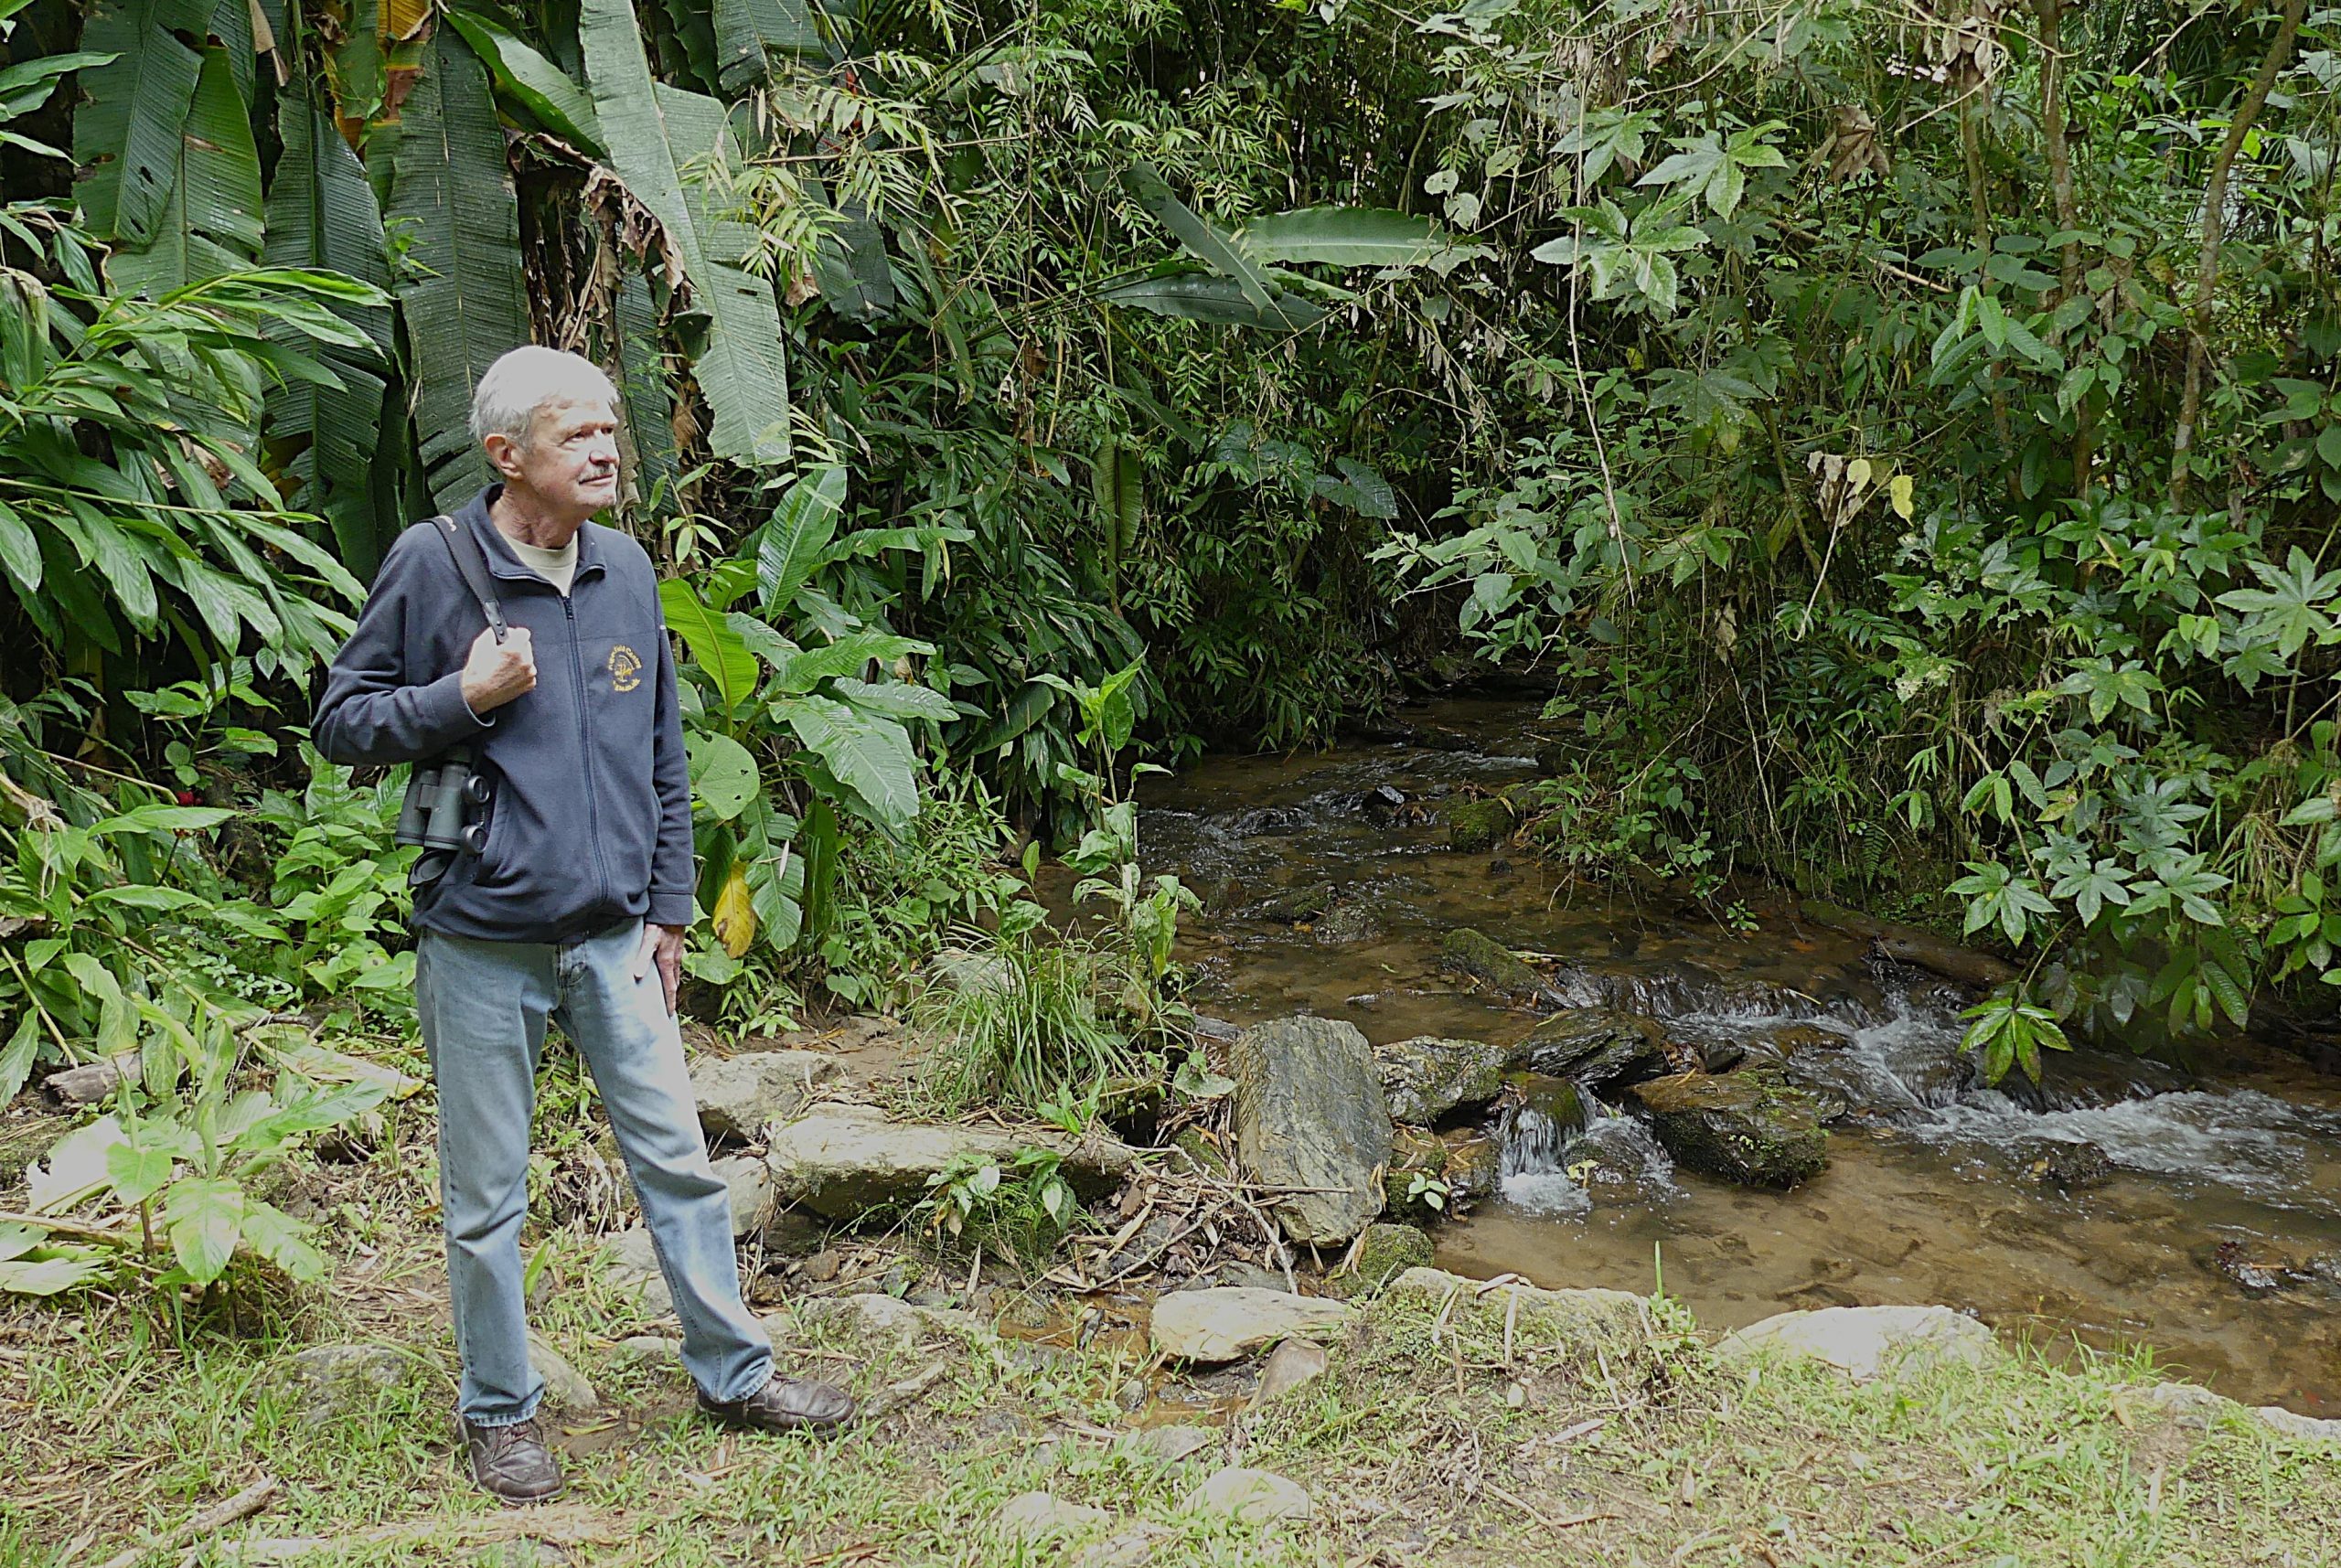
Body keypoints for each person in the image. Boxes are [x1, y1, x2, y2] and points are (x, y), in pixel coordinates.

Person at [314, 346, 853, 1505]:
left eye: (612, 430)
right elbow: (341, 721)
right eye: (579, 435)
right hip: (482, 938)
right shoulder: (433, 564)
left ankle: (733, 1371)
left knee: (680, 1163)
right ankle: (501, 1412)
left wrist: (669, 907)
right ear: (507, 455)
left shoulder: (622, 568)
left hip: (616, 940)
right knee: (486, 1197)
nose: (608, 450)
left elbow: (662, 753)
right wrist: (463, 697)